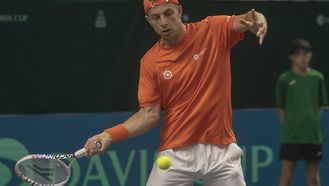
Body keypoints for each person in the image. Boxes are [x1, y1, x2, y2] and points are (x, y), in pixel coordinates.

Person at [85, 0, 267, 185]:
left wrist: (256, 20)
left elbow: (245, 20)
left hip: (221, 148)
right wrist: (109, 135)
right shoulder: (150, 62)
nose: (163, 22)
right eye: (156, 17)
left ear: (179, 11)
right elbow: (149, 115)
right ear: (149, 20)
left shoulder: (212, 29)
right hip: (176, 154)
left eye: (168, 13)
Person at [276, 39, 328, 186]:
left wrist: (310, 121)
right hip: (291, 137)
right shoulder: (284, 79)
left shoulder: (318, 78)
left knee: (313, 178)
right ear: (292, 57)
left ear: (310, 55)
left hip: (312, 137)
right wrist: (289, 125)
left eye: (305, 53)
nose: (302, 57)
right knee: (287, 177)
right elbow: (280, 106)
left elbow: (320, 105)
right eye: (298, 54)